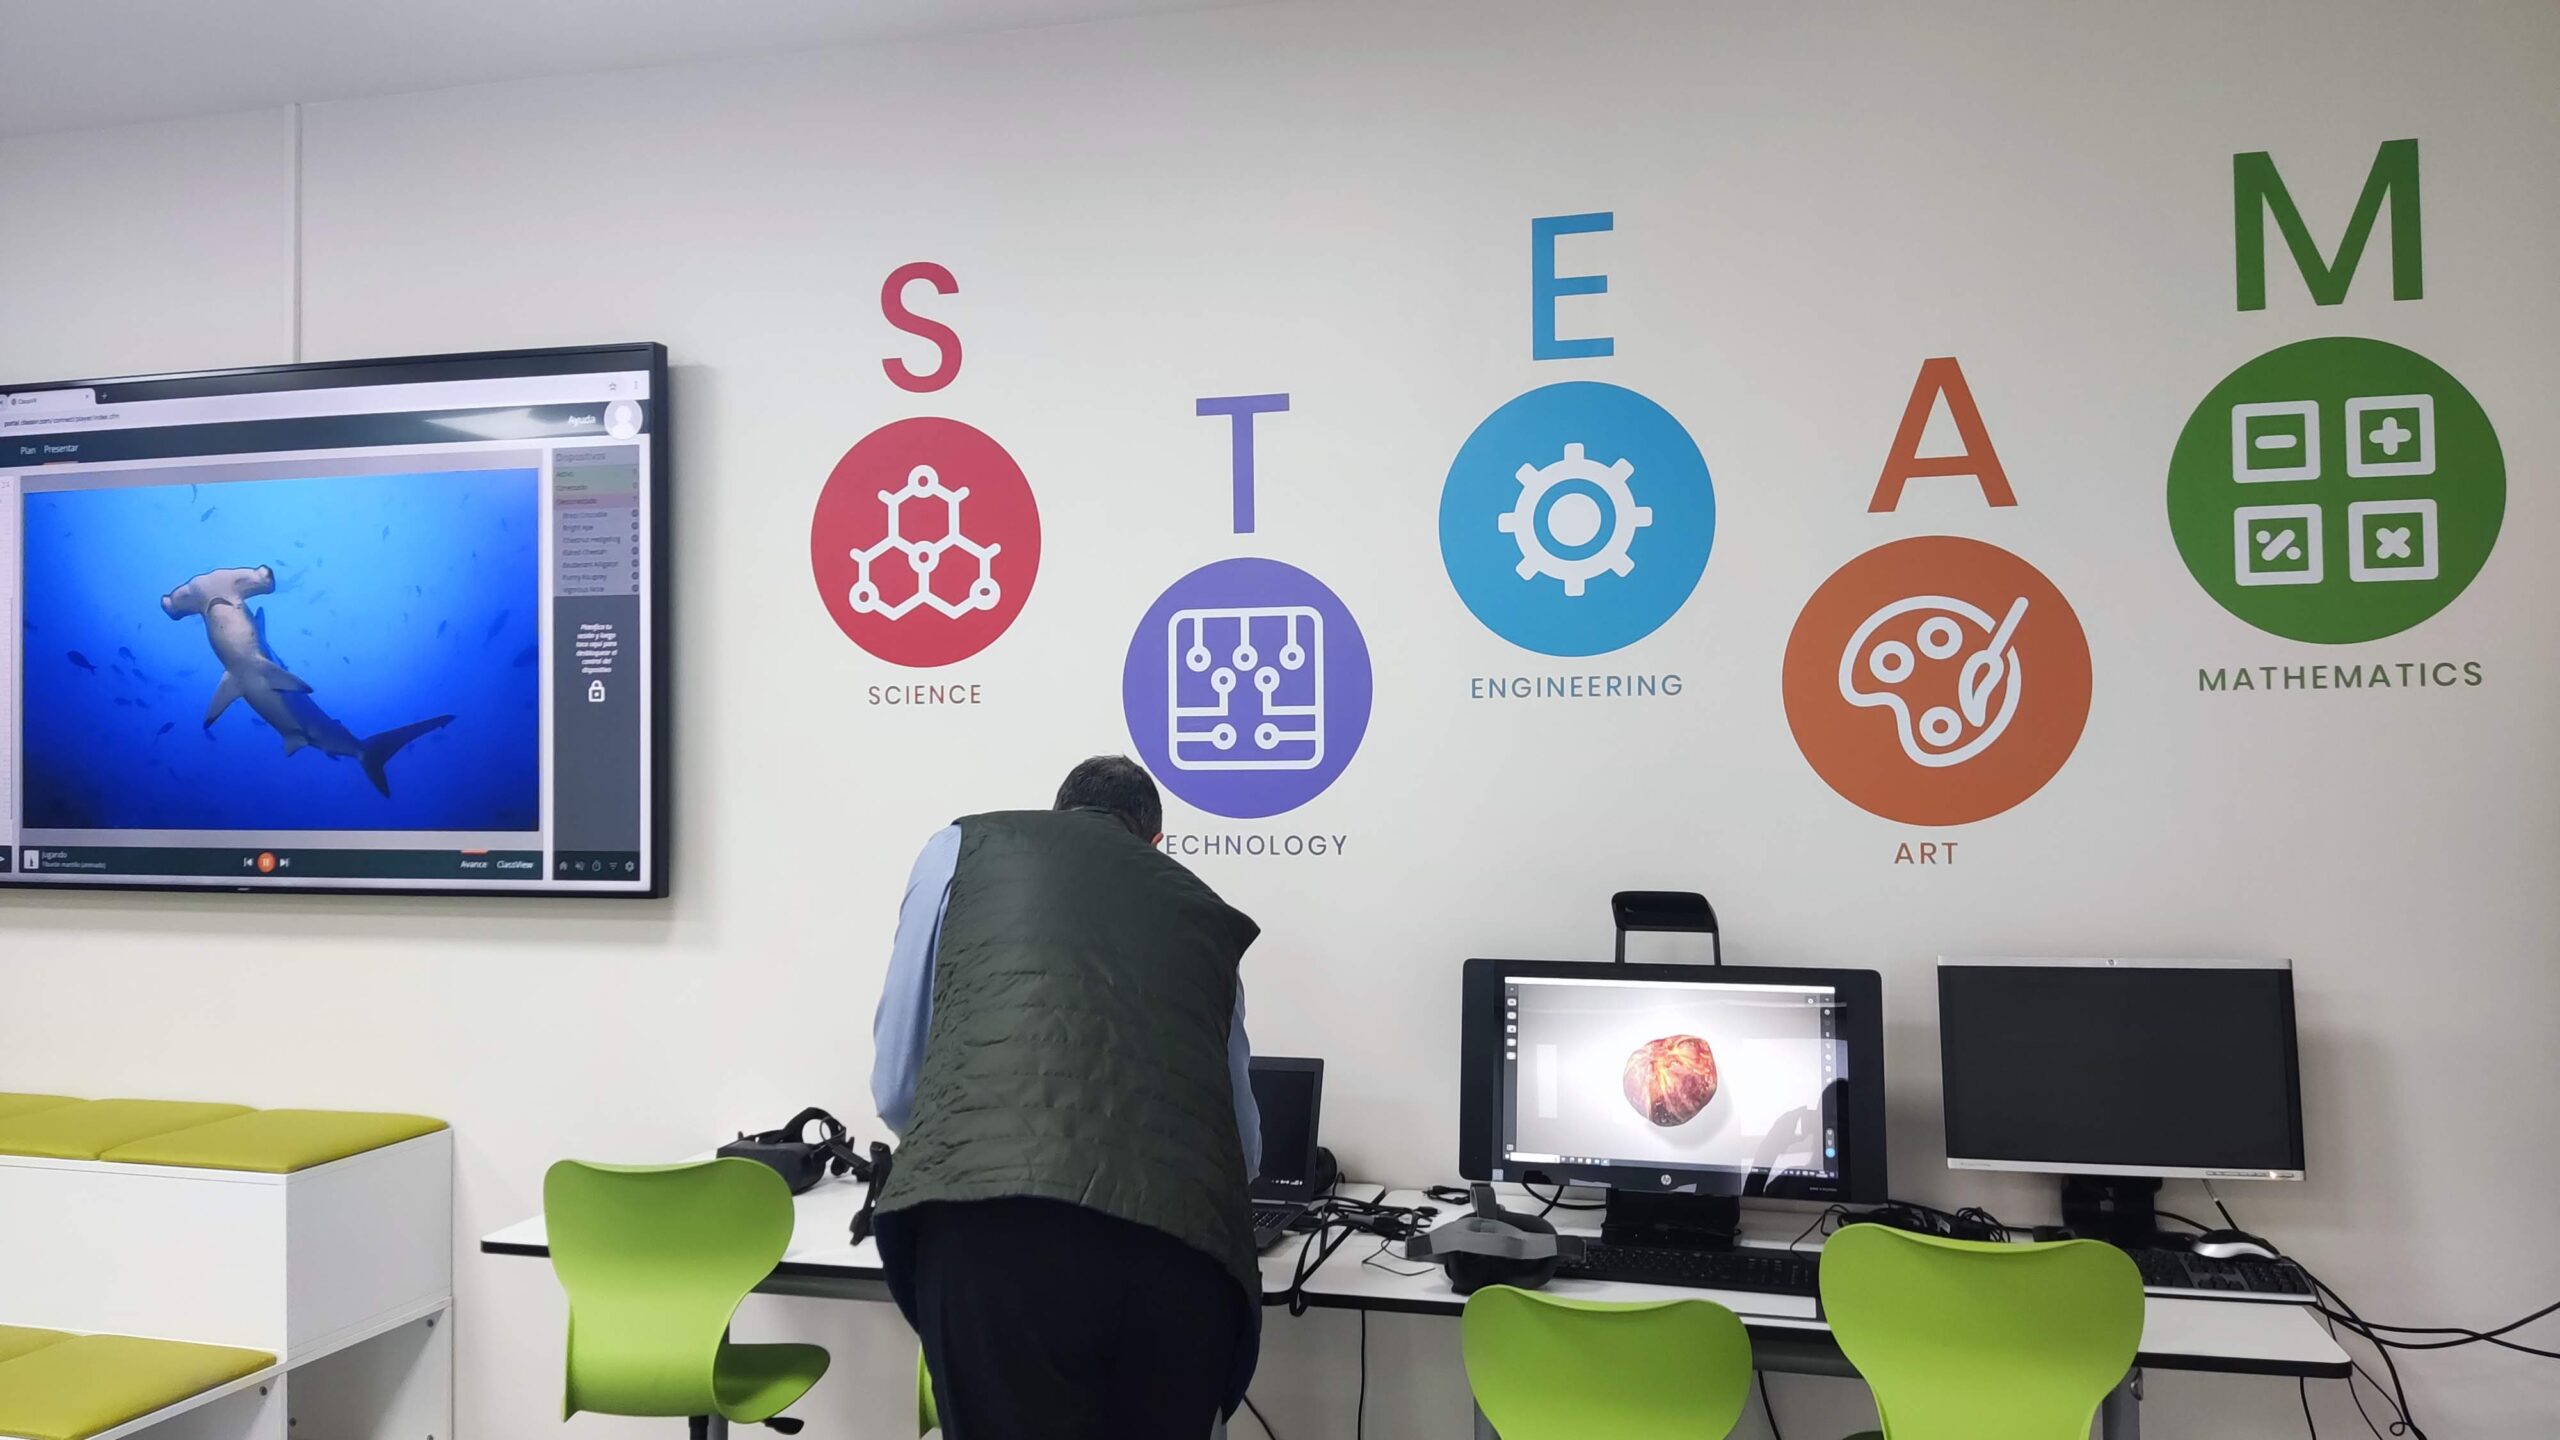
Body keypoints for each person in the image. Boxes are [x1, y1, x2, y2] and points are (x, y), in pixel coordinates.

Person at [870, 755, 1262, 1440]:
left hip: (993, 1236)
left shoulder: (962, 848)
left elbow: (900, 1089)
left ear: (1057, 816)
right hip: (1176, 1250)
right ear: (1154, 842)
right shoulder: (1201, 912)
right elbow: (1243, 1151)